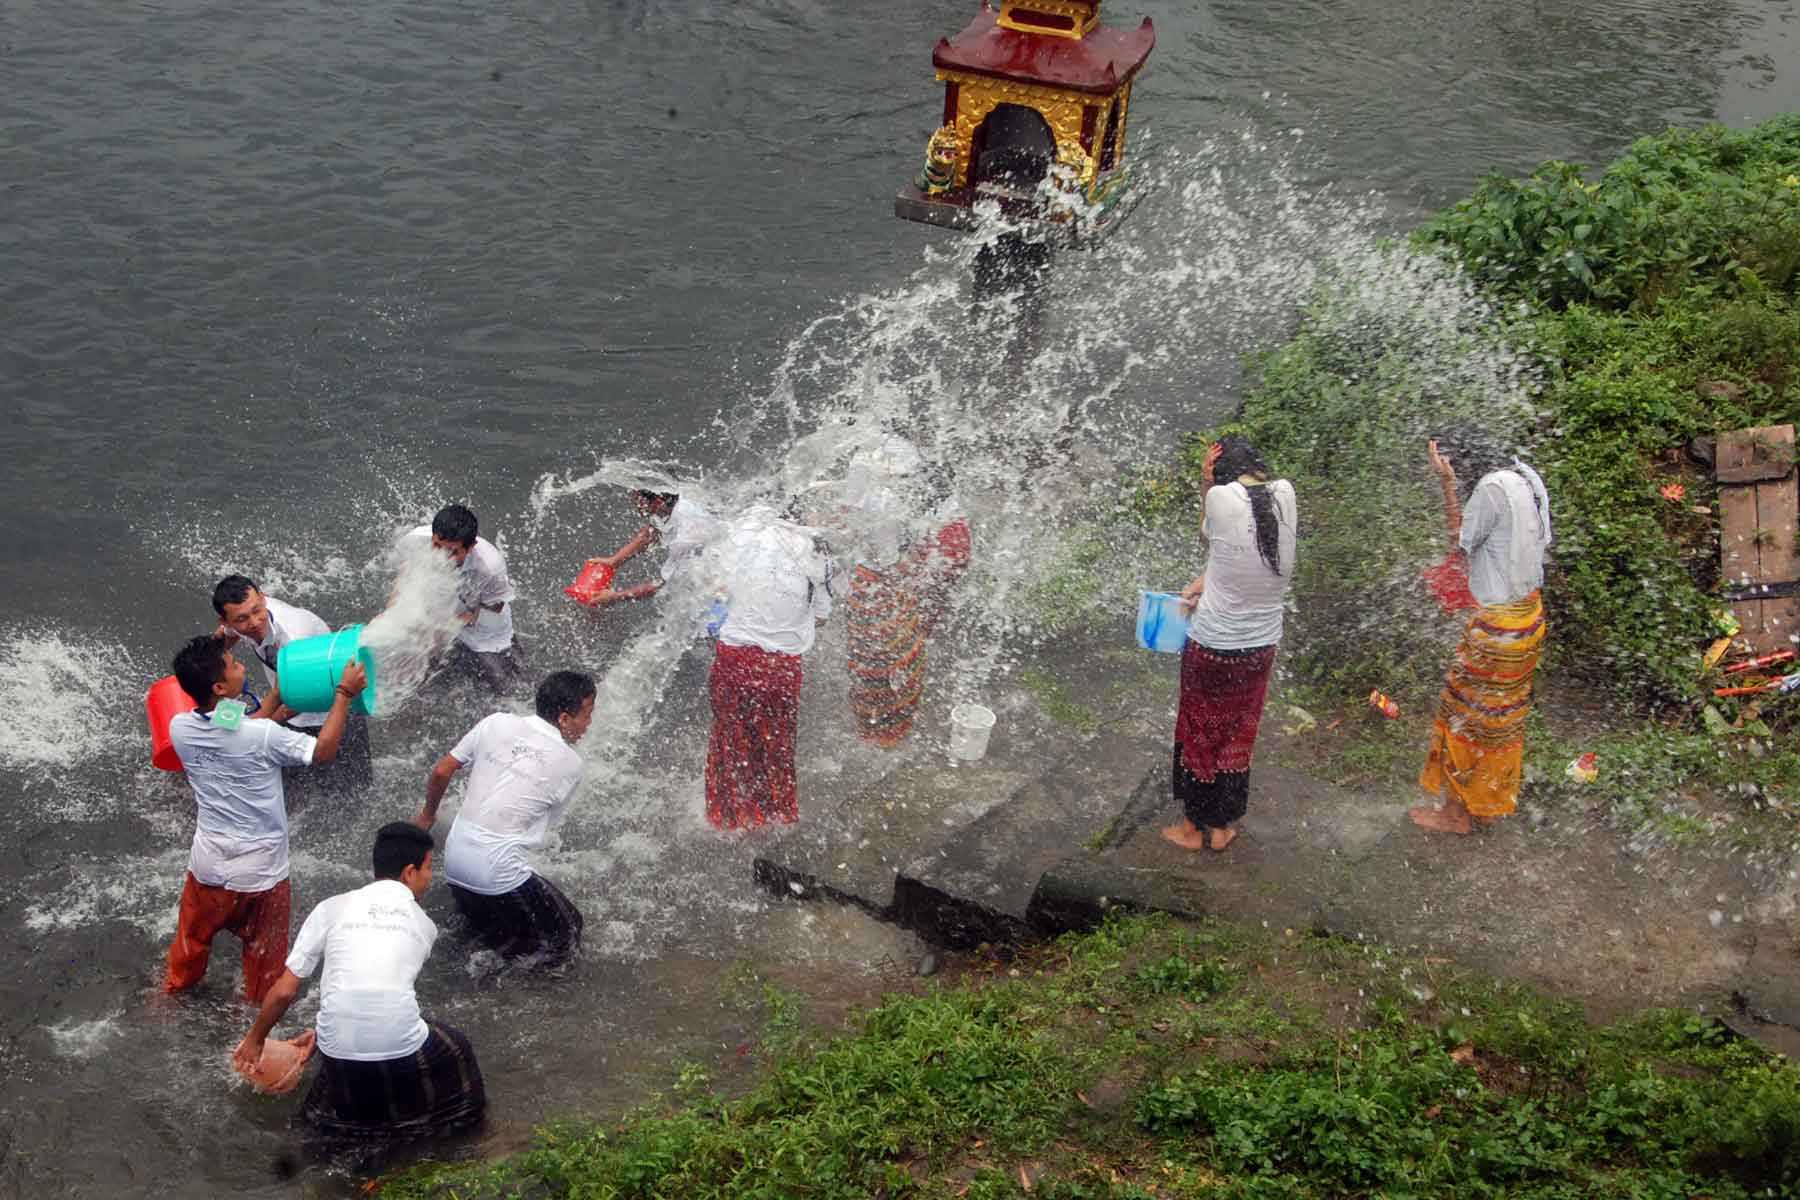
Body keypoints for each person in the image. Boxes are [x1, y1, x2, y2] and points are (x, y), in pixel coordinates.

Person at [233, 823, 486, 1144]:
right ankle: (464, 1134)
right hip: (397, 1043)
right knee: (457, 1047)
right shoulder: (424, 925)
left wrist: (255, 1040)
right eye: (428, 868)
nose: (429, 877)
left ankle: (325, 1137)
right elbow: (382, 996)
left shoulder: (330, 908)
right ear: (409, 873)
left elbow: (285, 991)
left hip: (336, 1046)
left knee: (341, 1077)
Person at [163, 634, 367, 1002]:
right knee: (263, 967)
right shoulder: (264, 736)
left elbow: (233, 724)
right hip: (261, 874)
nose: (241, 665)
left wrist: (274, 698)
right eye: (233, 664)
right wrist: (343, 694)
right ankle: (255, 1024)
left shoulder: (180, 728)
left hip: (207, 866)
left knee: (191, 944)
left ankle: (170, 996)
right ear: (220, 687)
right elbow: (322, 751)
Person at [1160, 436, 1297, 854]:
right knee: (1238, 730)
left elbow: (1209, 537)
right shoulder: (1286, 494)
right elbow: (1240, 552)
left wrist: (1206, 483)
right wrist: (1205, 584)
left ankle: (1191, 829)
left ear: (1220, 474)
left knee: (1199, 727)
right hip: (1261, 647)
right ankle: (1220, 827)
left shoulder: (1219, 498)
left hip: (1213, 644)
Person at [1412, 432, 1551, 836]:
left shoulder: (1490, 488)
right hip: (1528, 617)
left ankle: (1455, 815)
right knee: (1500, 720)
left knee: (1464, 716)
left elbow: (1459, 544)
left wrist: (1447, 484)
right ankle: (1484, 805)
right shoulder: (1526, 477)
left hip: (1497, 630)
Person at [414, 671, 595, 969]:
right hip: (496, 874)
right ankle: (512, 983)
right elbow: (541, 825)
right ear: (564, 719)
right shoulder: (571, 764)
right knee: (569, 932)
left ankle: (472, 944)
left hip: (453, 862)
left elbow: (442, 771)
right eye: (587, 715)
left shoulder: (495, 722)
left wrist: (427, 815)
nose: (588, 724)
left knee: (494, 926)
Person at [706, 509, 834, 828]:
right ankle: (774, 813)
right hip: (782, 667)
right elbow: (822, 615)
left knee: (730, 738)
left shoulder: (736, 534)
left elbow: (716, 594)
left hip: (734, 658)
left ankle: (728, 817)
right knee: (776, 741)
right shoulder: (817, 546)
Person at [840, 442, 971, 747]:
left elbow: (853, 525)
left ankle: (875, 725)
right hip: (920, 561)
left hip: (880, 576)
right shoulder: (905, 463)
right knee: (904, 644)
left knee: (874, 654)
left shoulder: (866, 465)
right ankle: (894, 723)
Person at [212, 574, 373, 792]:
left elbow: (293, 706)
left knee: (350, 791)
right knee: (293, 789)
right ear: (225, 621)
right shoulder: (242, 617)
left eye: (257, 611)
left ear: (263, 597)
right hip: (288, 701)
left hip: (331, 707)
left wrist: (253, 730)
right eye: (242, 619)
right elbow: (224, 637)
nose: (254, 623)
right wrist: (204, 663)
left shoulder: (294, 638)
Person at [402, 504, 522, 691]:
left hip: (484, 632)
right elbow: (405, 576)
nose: (442, 557)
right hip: (444, 615)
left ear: (471, 547)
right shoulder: (416, 540)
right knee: (417, 684)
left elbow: (493, 609)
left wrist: (444, 627)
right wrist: (392, 612)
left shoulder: (490, 567)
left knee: (508, 689)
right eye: (436, 546)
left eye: (452, 552)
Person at [579, 489, 719, 606]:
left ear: (657, 501)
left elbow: (660, 585)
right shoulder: (677, 499)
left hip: (721, 581)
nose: (634, 505)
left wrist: (615, 597)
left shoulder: (685, 538)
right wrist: (614, 561)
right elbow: (650, 534)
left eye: (638, 500)